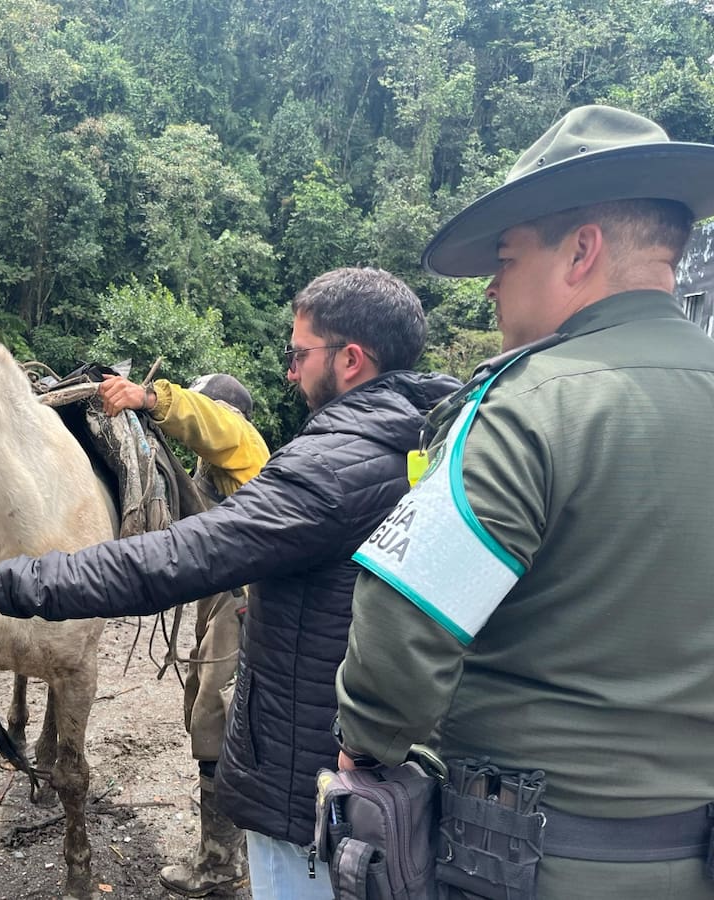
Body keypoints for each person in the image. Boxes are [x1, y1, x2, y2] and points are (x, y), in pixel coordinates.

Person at [0, 268, 460, 899]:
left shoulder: (326, 465)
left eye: (300, 354)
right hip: (375, 767)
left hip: (311, 782)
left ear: (351, 360)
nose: (292, 371)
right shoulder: (439, 443)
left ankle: (220, 856)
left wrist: (21, 581)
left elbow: (182, 553)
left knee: (212, 710)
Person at [335, 105, 714, 899]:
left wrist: (367, 743)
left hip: (526, 864)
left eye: (505, 260)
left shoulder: (527, 410)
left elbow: (402, 625)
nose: (492, 289)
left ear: (581, 251)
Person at [97, 370, 269, 896]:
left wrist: (151, 397)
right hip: (224, 599)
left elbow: (210, 421)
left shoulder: (242, 442)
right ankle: (231, 853)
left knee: (217, 719)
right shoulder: (219, 473)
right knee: (206, 709)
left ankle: (222, 863)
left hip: (245, 603)